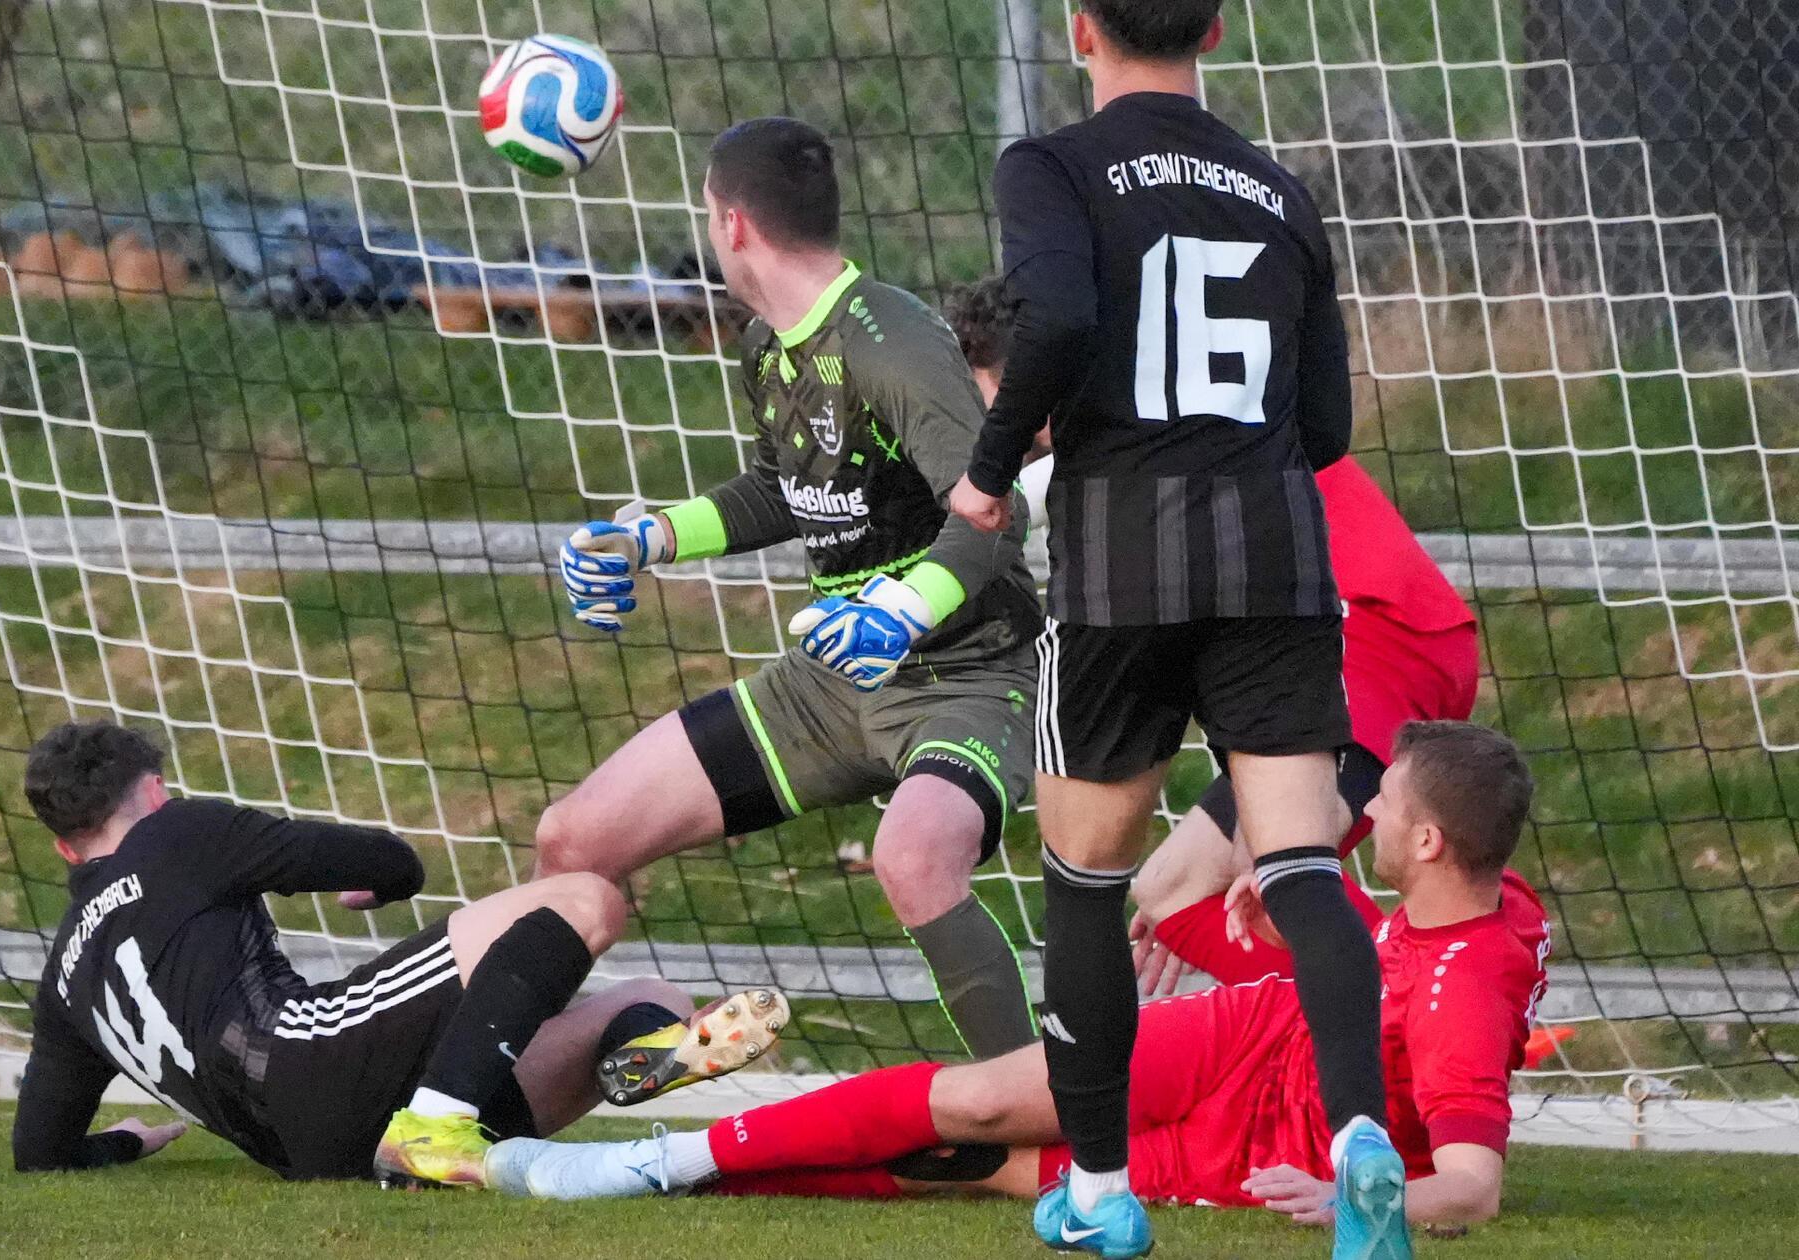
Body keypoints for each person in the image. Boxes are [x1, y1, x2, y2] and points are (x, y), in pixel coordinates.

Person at [942, 1, 1401, 1253]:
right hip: (1275, 559)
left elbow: (1063, 321)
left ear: (1080, 28)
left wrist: (988, 473)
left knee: (1086, 884)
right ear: (1212, 27)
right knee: (1302, 866)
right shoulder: (1276, 187)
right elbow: (1325, 425)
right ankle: (1362, 1137)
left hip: (1120, 566)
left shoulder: (1050, 165)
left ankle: (1098, 1192)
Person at [487, 722, 1548, 1247]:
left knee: (976, 1166)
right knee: (984, 1096)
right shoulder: (1485, 915)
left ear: (1424, 835)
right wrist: (1300, 934)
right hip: (1242, 1040)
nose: (1358, 819)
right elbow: (1389, 977)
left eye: (1382, 805)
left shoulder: (1471, 987)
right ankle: (651, 1160)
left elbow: (1471, 1184)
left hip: (1262, 1141)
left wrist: (1343, 1201)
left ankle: (694, 1179)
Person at [535, 116, 1042, 1059]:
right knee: (575, 837)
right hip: (825, 687)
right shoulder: (769, 349)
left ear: (731, 225)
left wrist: (904, 609)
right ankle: (506, 1083)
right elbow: (783, 487)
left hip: (965, 675)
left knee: (914, 856)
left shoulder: (893, 342)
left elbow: (988, 511)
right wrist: (650, 536)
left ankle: (1043, 1118)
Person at [939, 273, 1481, 993]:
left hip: (1379, 634)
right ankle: (1356, 1046)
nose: (1009, 431)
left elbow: (1014, 501)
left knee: (1280, 873)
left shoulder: (1155, 420)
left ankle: (1446, 1001)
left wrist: (904, 588)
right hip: (1335, 641)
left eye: (1004, 405)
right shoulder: (1152, 413)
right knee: (1175, 892)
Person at [6, 721, 790, 1188]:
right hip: (318, 1056)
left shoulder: (64, 983)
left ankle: (632, 1052)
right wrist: (386, 884)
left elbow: (38, 1153)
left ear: (64, 848)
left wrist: (123, 1141)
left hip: (313, 1157)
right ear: (152, 793)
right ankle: (436, 1126)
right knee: (584, 898)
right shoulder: (177, 833)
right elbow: (381, 858)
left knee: (642, 996)